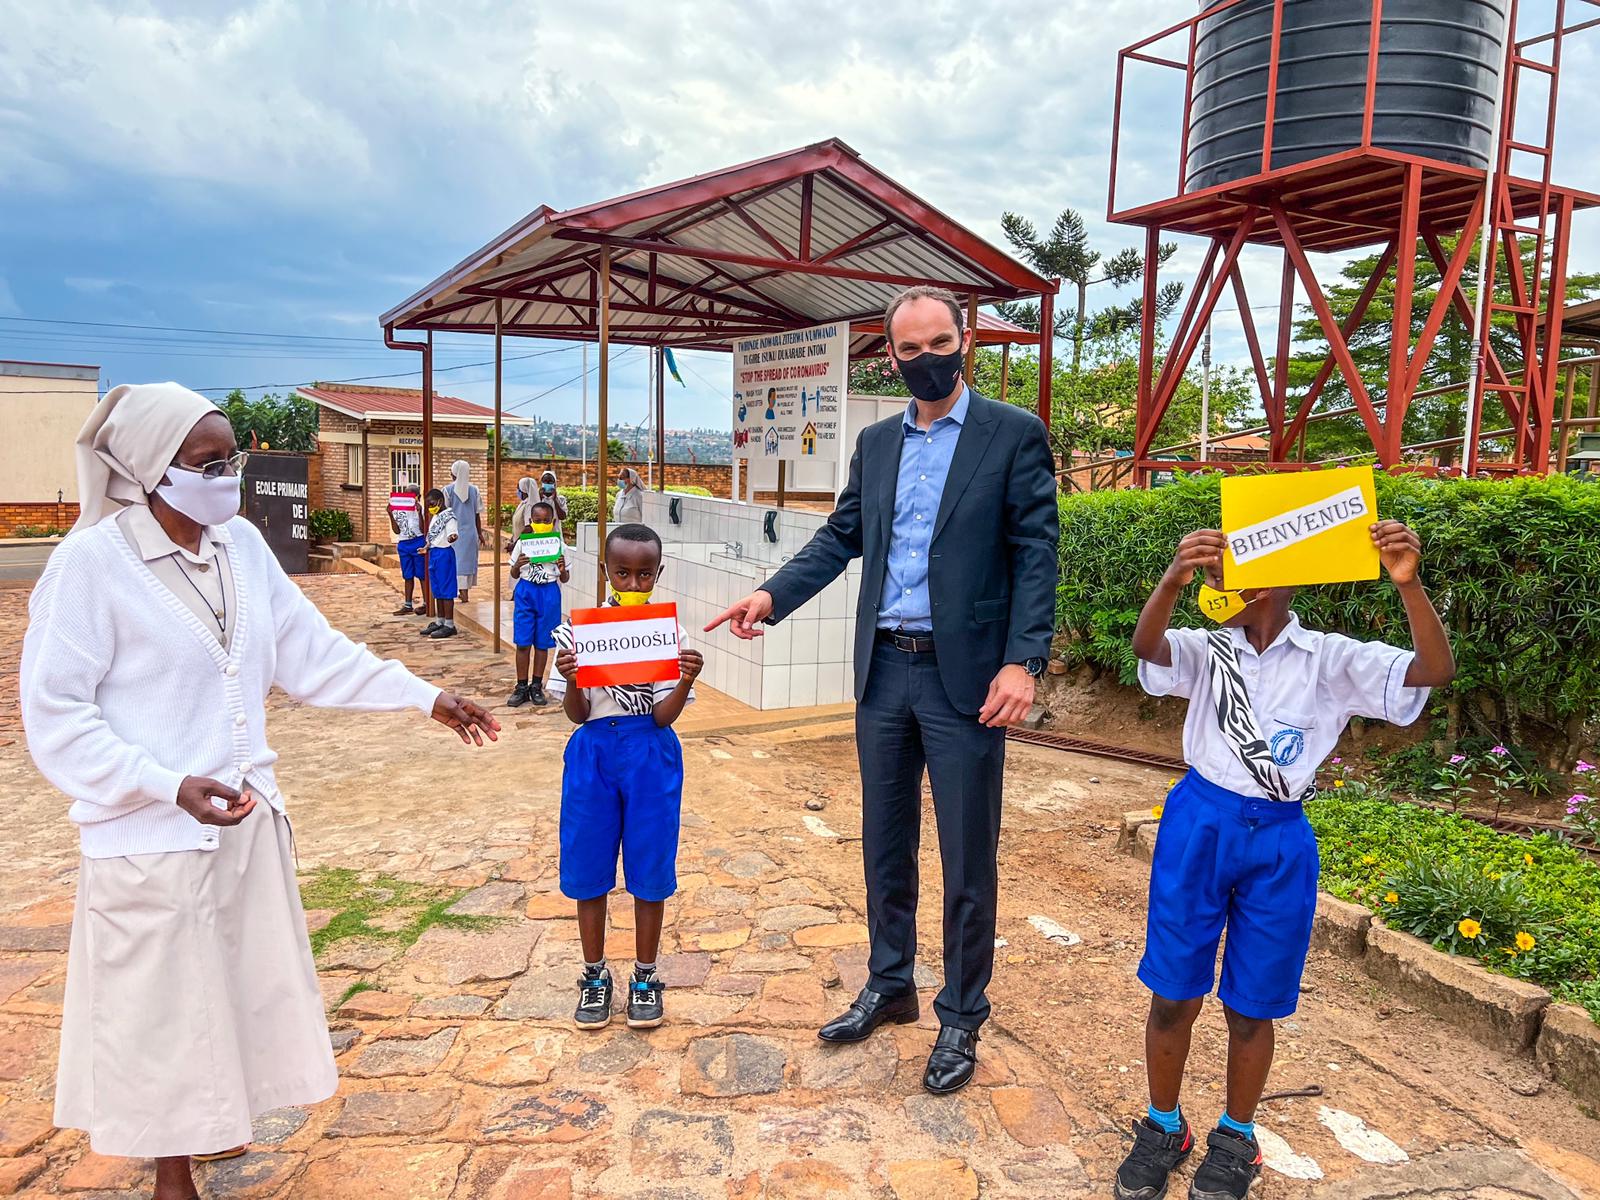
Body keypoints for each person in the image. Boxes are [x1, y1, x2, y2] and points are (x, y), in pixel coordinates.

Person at [19, 383, 500, 1200]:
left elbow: (312, 651)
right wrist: (165, 784)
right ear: (152, 468)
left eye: (232, 458)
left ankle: (215, 1127)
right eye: (208, 463)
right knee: (166, 1013)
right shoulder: (92, 566)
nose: (228, 476)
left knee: (231, 995)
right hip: (154, 837)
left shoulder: (238, 546)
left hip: (243, 821)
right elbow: (55, 715)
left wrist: (425, 696)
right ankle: (173, 1176)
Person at [707, 285, 1058, 1095]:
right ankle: (891, 983)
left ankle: (962, 1014)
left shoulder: (1013, 434)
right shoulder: (875, 444)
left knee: (967, 854)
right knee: (884, 841)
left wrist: (1024, 660)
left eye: (940, 343)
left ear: (964, 342)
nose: (927, 359)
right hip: (884, 671)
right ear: (890, 355)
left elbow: (1036, 552)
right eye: (911, 349)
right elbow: (842, 536)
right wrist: (770, 596)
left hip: (967, 679)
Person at [1115, 521, 1454, 1200]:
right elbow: (1148, 648)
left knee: (1254, 1003)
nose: (1213, 585)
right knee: (1173, 991)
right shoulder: (1209, 650)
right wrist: (1172, 579)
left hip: (1278, 839)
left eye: (1223, 575)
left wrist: (1409, 585)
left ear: (1265, 583)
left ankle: (1236, 1137)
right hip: (1198, 823)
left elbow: (1432, 671)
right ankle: (1163, 1126)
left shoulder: (1328, 659)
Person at [552, 523, 702, 1031]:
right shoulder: (580, 634)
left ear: (658, 574)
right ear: (605, 571)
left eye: (644, 575)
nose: (633, 583)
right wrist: (572, 679)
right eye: (622, 573)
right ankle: (594, 974)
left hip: (650, 753)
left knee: (651, 863)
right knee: (587, 863)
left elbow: (662, 717)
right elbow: (577, 714)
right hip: (593, 752)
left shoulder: (669, 634)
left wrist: (684, 678)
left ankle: (645, 975)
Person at [508, 499, 569, 708]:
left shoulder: (559, 545)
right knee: (523, 641)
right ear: (531, 521)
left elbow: (565, 578)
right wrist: (517, 565)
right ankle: (521, 686)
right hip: (526, 591)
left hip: (549, 593)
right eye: (538, 520)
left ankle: (536, 685)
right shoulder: (523, 543)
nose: (542, 524)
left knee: (543, 643)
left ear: (553, 522)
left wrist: (563, 570)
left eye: (546, 520)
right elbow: (513, 573)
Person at [420, 487, 459, 639]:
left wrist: (452, 537)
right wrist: (426, 547)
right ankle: (440, 620)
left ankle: (449, 624)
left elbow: (452, 534)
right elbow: (435, 536)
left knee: (446, 589)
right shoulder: (436, 516)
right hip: (434, 553)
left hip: (444, 554)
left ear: (440, 501)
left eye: (432, 504)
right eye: (428, 505)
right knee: (437, 589)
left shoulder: (449, 516)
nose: (430, 507)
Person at [443, 459, 484, 601]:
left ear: (454, 473)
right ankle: (464, 591)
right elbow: (477, 514)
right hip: (470, 533)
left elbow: (444, 514)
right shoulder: (475, 490)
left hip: (453, 533)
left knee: (456, 562)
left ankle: (461, 592)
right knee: (466, 562)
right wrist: (479, 533)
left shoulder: (447, 490)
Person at [388, 482, 425, 616]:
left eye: (412, 496)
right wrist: (390, 514)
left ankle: (426, 603)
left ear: (418, 496)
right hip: (404, 543)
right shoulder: (399, 509)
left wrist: (419, 513)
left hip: (418, 542)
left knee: (422, 574)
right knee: (407, 575)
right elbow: (397, 530)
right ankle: (408, 604)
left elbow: (423, 529)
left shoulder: (421, 509)